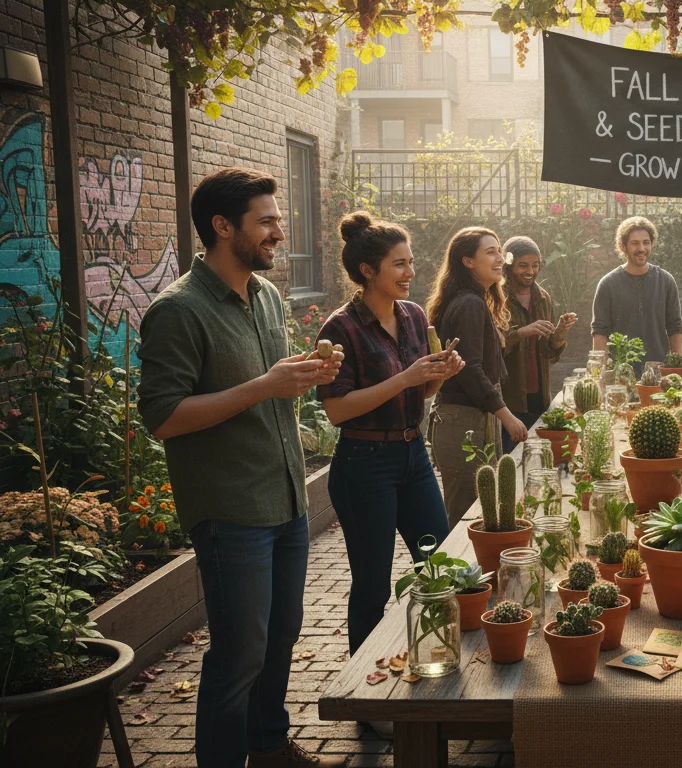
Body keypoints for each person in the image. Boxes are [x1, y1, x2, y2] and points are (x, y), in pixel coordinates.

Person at [138, 167, 345, 768]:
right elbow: (163, 416)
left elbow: (267, 387)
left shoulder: (267, 296)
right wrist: (263, 385)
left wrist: (300, 376)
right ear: (222, 226)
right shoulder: (178, 310)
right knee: (238, 657)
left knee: (280, 638)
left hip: (285, 500)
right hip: (231, 511)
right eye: (268, 221)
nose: (280, 231)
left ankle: (269, 746)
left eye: (279, 220)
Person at [316, 213, 465, 658]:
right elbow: (337, 410)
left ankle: (440, 656)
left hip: (413, 455)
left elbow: (420, 390)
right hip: (364, 465)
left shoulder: (415, 316)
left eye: (411, 262)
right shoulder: (340, 328)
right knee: (372, 586)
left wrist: (438, 375)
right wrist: (405, 378)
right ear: (368, 270)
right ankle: (365, 696)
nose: (410, 273)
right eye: (399, 264)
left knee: (439, 568)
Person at [426, 227, 529, 526]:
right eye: (490, 252)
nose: (500, 258)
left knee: (481, 515)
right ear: (467, 261)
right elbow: (470, 370)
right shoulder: (468, 303)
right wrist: (507, 416)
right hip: (463, 423)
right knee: (464, 520)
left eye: (500, 251)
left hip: (474, 419)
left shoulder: (473, 300)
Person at [500, 235, 577, 453]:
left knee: (539, 459)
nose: (530, 271)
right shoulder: (496, 297)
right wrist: (522, 332)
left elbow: (547, 354)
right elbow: (493, 348)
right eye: (523, 265)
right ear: (508, 264)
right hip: (509, 400)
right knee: (511, 460)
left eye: (535, 265)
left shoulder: (543, 298)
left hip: (538, 398)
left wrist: (559, 334)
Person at [591, 216, 682, 366]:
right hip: (620, 373)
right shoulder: (608, 284)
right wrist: (601, 371)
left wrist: (676, 367)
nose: (641, 249)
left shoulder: (666, 281)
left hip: (659, 372)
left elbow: (675, 327)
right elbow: (599, 332)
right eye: (635, 243)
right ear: (623, 246)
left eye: (646, 242)